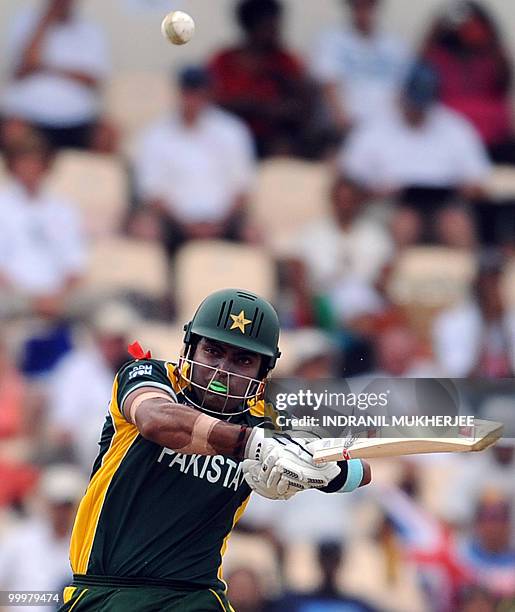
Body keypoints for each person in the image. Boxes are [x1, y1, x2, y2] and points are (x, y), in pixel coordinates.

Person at [57, 288, 371, 611]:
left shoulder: (265, 418)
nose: (223, 370)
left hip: (196, 597)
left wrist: (311, 471)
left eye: (243, 360)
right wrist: (251, 444)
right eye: (213, 351)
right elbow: (155, 420)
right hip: (105, 594)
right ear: (190, 347)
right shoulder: (150, 376)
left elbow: (360, 472)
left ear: (264, 373)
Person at [133, 67, 256, 257]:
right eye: (188, 93)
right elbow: (152, 192)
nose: (193, 100)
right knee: (145, 230)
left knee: (254, 234)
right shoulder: (155, 135)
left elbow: (242, 188)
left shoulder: (232, 131)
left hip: (223, 221)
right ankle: (160, 287)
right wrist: (185, 225)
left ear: (209, 94)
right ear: (179, 93)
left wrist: (218, 224)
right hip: (173, 222)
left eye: (198, 93)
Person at [2, 0, 115, 152]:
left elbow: (93, 79)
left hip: (78, 119)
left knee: (107, 134)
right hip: (29, 118)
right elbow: (23, 68)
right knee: (13, 131)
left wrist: (46, 67)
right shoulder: (24, 22)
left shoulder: (91, 30)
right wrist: (45, 22)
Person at [209, 0, 317, 158]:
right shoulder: (223, 60)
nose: (276, 31)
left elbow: (302, 106)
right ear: (250, 27)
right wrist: (257, 107)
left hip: (273, 139)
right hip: (230, 137)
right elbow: (213, 102)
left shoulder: (285, 61)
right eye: (268, 26)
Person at [0, 132, 86, 316]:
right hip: (13, 296)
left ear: (46, 165)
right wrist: (31, 299)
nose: (30, 168)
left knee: (110, 307)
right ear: (12, 165)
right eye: (24, 162)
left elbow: (75, 267)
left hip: (60, 298)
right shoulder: (2, 205)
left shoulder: (64, 209)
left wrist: (57, 298)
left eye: (35, 162)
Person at [47, 301, 139, 471]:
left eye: (120, 340)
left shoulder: (135, 367)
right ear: (99, 338)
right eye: (112, 340)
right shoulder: (75, 368)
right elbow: (64, 424)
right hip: (86, 444)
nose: (117, 346)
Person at [422, 1, 515, 163]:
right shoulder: (437, 55)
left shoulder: (492, 55)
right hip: (448, 135)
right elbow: (422, 82)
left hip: (494, 140)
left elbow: (504, 82)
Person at [310, 0, 411, 131]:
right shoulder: (330, 40)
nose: (363, 10)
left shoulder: (395, 46)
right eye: (358, 5)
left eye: (368, 4)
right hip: (345, 128)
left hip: (386, 130)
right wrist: (344, 122)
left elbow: (402, 91)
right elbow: (328, 85)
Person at [0, 464, 86, 612]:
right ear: (46, 503)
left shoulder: (84, 545)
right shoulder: (20, 540)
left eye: (66, 505)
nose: (61, 512)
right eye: (56, 505)